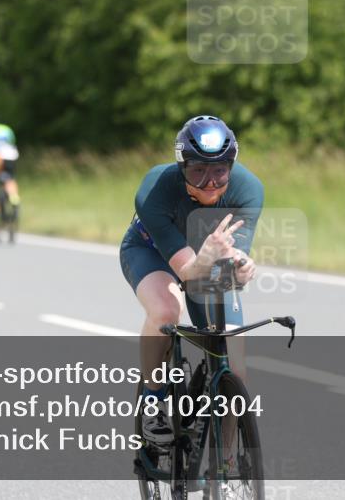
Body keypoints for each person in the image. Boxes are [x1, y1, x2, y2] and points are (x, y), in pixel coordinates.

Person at [120, 115, 263, 444]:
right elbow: (187, 273)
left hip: (209, 256)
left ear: (232, 164)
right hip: (151, 252)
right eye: (198, 170)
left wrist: (241, 267)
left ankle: (224, 470)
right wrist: (209, 256)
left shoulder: (248, 189)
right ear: (181, 166)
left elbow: (232, 259)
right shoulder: (154, 190)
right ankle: (153, 401)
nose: (210, 182)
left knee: (235, 365)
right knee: (166, 312)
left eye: (219, 170)